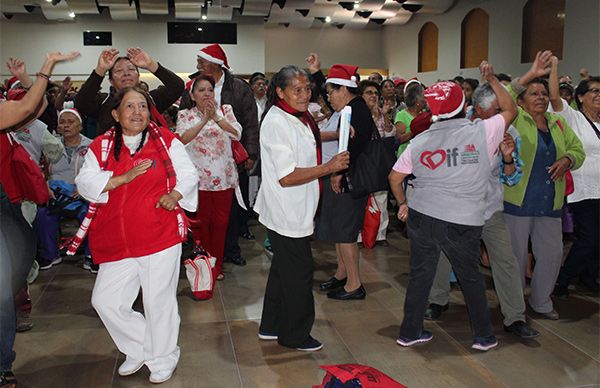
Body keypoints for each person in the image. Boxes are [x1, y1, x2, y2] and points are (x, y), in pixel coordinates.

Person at [388, 62, 518, 351]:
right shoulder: (483, 132)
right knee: (470, 277)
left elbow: (395, 177)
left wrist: (403, 203)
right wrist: (492, 79)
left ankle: (409, 332)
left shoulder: (420, 141)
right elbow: (511, 109)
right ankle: (483, 336)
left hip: (423, 216)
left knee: (421, 275)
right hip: (463, 219)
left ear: (432, 110)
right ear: (465, 104)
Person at [75, 86, 197, 384]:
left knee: (158, 300)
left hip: (159, 234)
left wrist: (176, 195)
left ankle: (164, 355)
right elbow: (85, 182)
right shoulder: (101, 146)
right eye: (130, 107)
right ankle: (142, 347)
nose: (137, 112)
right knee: (105, 301)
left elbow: (189, 173)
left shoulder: (166, 141)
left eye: (142, 106)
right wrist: (121, 178)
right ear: (116, 114)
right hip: (117, 239)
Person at [424, 83, 539, 339]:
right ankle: (437, 300)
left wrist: (507, 158)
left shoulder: (510, 135)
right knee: (441, 254)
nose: (501, 116)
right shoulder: (455, 128)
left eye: (502, 110)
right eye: (495, 110)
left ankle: (515, 317)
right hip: (454, 208)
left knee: (505, 260)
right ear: (477, 109)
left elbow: (511, 178)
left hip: (489, 209)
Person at [255, 65, 349, 352]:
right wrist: (328, 168)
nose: (304, 94)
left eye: (307, 88)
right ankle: (294, 334)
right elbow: (287, 176)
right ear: (280, 92)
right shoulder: (277, 121)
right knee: (299, 273)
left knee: (284, 270)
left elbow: (309, 142)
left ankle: (271, 325)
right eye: (297, 90)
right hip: (287, 210)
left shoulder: (299, 115)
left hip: (297, 206)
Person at [1, 50, 80, 388]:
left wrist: (32, 75)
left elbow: (32, 108)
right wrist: (46, 66)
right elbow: (26, 108)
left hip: (7, 204)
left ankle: (3, 364)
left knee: (5, 290)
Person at [503, 50, 585, 320]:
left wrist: (568, 158)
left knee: (550, 255)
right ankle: (514, 307)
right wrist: (534, 73)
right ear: (522, 101)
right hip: (518, 202)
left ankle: (541, 301)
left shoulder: (559, 123)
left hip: (550, 202)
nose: (540, 98)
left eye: (543, 94)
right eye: (533, 94)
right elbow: (502, 95)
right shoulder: (515, 119)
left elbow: (578, 150)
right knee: (514, 259)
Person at [192, 44, 259, 266]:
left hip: (232, 158)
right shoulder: (193, 85)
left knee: (231, 209)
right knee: (204, 211)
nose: (198, 65)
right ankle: (203, 253)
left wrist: (251, 152)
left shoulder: (239, 87)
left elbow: (250, 122)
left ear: (214, 64)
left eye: (201, 62)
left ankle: (231, 249)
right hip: (201, 162)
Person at [315, 64, 375, 300]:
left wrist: (339, 173)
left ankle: (354, 284)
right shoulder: (351, 108)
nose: (329, 98)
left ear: (344, 89)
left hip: (351, 180)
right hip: (344, 176)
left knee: (346, 233)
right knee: (339, 231)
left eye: (331, 92)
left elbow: (354, 148)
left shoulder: (356, 110)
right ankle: (342, 274)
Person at [176, 75, 242, 280]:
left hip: (224, 177)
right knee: (202, 223)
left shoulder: (225, 111)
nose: (206, 94)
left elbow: (237, 133)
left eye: (210, 90)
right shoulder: (185, 115)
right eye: (201, 90)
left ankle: (218, 265)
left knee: (221, 223)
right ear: (192, 95)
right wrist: (203, 120)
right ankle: (204, 264)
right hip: (199, 180)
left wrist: (216, 118)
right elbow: (182, 139)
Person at [548, 59, 600, 298]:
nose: (599, 95)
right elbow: (555, 98)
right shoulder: (573, 118)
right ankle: (562, 280)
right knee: (589, 239)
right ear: (580, 97)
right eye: (595, 91)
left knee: (597, 241)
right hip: (583, 190)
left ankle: (588, 278)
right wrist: (553, 68)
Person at [33, 108, 94, 272]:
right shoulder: (49, 145)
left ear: (80, 126)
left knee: (93, 215)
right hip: (56, 194)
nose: (66, 126)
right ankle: (50, 254)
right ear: (58, 127)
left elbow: (98, 173)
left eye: (71, 122)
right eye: (62, 122)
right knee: (42, 215)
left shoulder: (92, 145)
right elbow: (39, 170)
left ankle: (91, 255)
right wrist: (45, 185)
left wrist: (85, 189)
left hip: (82, 195)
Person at [75, 47, 184, 135]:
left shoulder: (150, 100)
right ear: (111, 81)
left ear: (138, 76)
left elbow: (177, 87)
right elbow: (81, 103)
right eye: (119, 70)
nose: (126, 73)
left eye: (131, 69)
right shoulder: (103, 101)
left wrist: (151, 65)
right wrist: (100, 69)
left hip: (147, 158)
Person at [359, 80, 394, 245]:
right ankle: (360, 235)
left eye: (375, 93)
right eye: (369, 92)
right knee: (362, 199)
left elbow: (389, 133)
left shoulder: (381, 113)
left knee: (381, 198)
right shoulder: (357, 113)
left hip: (379, 161)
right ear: (361, 95)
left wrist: (384, 114)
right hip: (363, 161)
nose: (373, 96)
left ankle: (380, 235)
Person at [394, 80, 426, 156]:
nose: (426, 100)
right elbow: (399, 139)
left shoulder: (424, 114)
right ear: (417, 100)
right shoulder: (401, 115)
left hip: (421, 155)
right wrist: (415, 131)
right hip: (406, 156)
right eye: (424, 97)